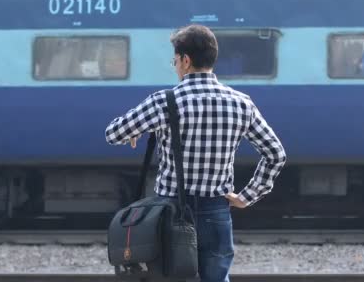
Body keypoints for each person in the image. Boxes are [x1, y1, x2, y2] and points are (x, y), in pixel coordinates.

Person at [105, 24, 287, 282]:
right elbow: (275, 154)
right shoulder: (241, 102)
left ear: (185, 60)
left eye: (175, 60)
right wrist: (247, 197)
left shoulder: (165, 101)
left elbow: (113, 134)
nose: (175, 65)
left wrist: (137, 130)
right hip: (216, 210)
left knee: (171, 278)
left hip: (170, 211)